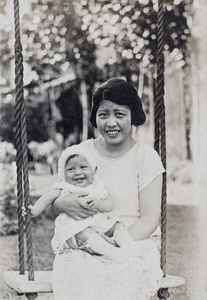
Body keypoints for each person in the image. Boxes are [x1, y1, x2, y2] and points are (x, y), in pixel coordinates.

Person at [51, 78, 165, 300]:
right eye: (104, 115)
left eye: (119, 114)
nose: (111, 123)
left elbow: (150, 219)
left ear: (133, 115)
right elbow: (59, 191)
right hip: (87, 240)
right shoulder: (81, 153)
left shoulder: (145, 157)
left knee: (123, 272)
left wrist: (114, 244)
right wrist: (59, 203)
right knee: (76, 270)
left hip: (132, 239)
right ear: (95, 117)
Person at [28, 144, 138, 261]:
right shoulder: (64, 187)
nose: (77, 172)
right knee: (86, 233)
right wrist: (35, 209)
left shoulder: (96, 186)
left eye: (83, 167)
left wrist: (99, 204)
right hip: (77, 229)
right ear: (63, 174)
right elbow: (47, 198)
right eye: (70, 169)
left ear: (92, 170)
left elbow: (109, 203)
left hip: (100, 225)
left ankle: (128, 247)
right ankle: (112, 252)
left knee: (117, 225)